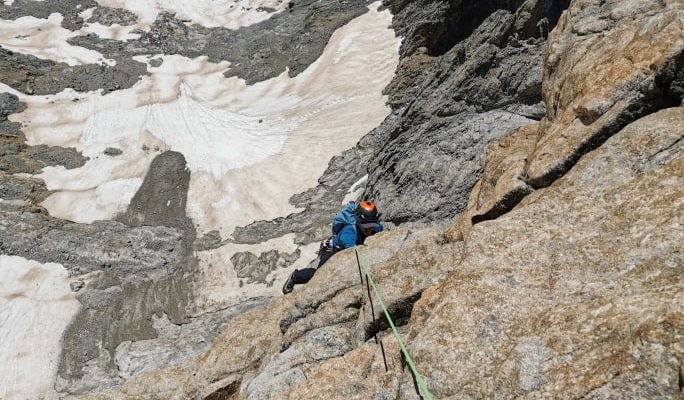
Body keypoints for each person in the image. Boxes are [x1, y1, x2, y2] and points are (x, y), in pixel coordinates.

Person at [282, 200, 383, 294]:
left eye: (372, 224)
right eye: (366, 225)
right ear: (358, 220)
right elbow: (354, 255)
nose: (369, 229)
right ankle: (295, 277)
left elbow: (380, 230)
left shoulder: (376, 227)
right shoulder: (349, 234)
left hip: (342, 248)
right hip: (332, 250)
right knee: (320, 275)